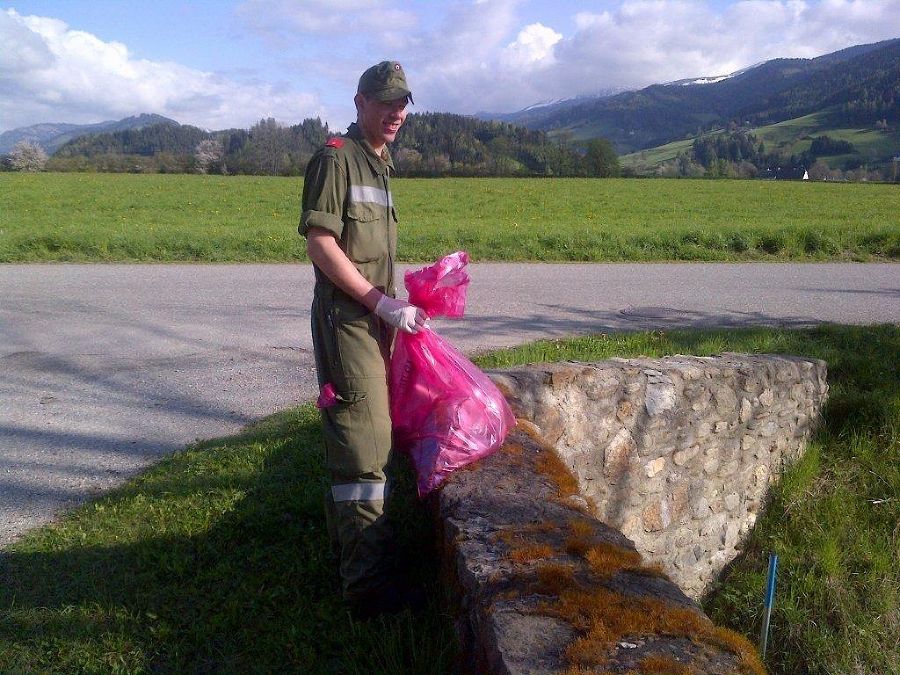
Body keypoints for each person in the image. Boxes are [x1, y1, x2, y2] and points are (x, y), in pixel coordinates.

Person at [299, 61, 427, 619]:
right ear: (360, 101)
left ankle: (356, 561)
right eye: (386, 102)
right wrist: (378, 302)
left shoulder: (380, 163)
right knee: (363, 448)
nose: (396, 113)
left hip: (376, 318)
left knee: (370, 440)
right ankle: (368, 595)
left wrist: (402, 304)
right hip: (349, 318)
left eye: (402, 104)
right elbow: (322, 244)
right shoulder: (335, 158)